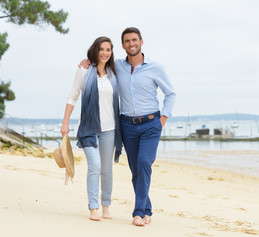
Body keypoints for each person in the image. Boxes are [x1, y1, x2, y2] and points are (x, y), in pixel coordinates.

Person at [80, 27, 176, 226]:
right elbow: (99, 64)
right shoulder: (117, 67)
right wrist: (86, 62)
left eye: (135, 40)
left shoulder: (155, 67)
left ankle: (138, 212)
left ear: (141, 41)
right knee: (136, 170)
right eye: (127, 41)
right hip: (127, 126)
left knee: (143, 163)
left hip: (151, 124)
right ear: (123, 46)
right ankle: (147, 208)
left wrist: (163, 119)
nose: (132, 44)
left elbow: (170, 94)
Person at [61, 36, 122, 221]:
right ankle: (93, 208)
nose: (104, 53)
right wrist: (65, 123)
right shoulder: (84, 71)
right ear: (95, 50)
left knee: (107, 169)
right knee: (94, 166)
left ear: (111, 53)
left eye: (108, 50)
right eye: (101, 49)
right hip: (88, 127)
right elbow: (73, 96)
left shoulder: (114, 73)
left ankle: (106, 206)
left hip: (110, 128)